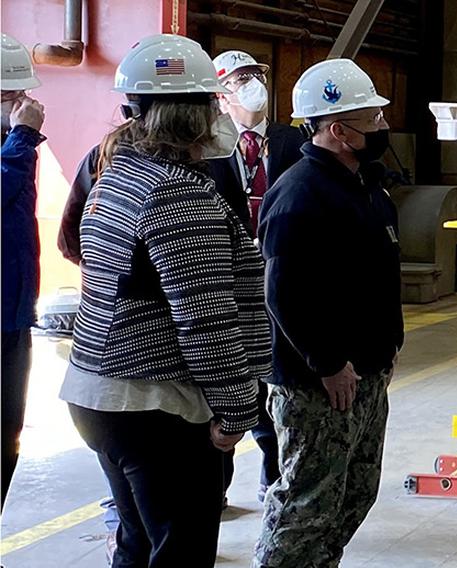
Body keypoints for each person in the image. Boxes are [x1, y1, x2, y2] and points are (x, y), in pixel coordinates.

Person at [59, 34, 270, 567]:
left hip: (104, 395)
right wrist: (238, 405)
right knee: (180, 553)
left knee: (137, 546)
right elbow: (206, 318)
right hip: (152, 401)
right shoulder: (177, 194)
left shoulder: (123, 172)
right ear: (198, 113)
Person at [253, 58, 403, 568]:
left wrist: (387, 348)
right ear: (339, 130)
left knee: (352, 495)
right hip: (320, 382)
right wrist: (327, 363)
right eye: (373, 120)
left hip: (364, 372)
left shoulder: (366, 187)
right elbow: (285, 295)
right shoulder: (299, 195)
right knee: (307, 505)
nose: (383, 127)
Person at [210, 49, 305, 503]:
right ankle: (216, 486)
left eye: (255, 75)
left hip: (279, 277)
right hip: (227, 284)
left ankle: (273, 474)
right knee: (227, 380)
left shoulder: (293, 142)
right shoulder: (208, 148)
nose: (251, 84)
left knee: (276, 380)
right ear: (220, 95)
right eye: (239, 79)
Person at [1, 32, 46, 509]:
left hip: (13, 321)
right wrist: (22, 139)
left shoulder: (11, 146)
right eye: (10, 96)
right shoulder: (16, 146)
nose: (22, 107)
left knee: (7, 436)